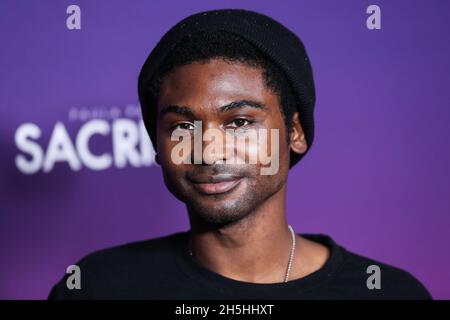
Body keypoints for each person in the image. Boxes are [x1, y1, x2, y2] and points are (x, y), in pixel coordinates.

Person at [49, 9, 431, 299]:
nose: (208, 150)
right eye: (182, 127)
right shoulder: (98, 286)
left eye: (240, 122)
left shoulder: (388, 292)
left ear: (295, 132)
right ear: (157, 146)